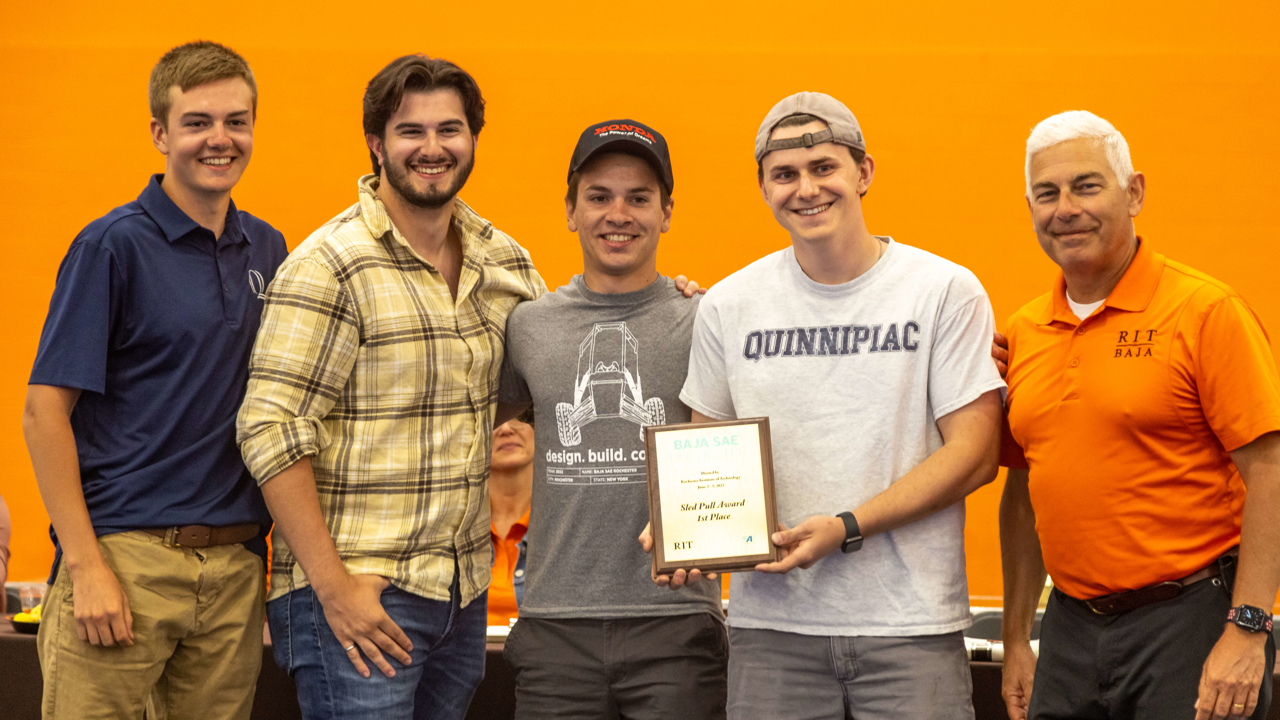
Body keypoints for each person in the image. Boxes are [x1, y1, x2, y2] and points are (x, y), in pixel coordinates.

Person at [666, 91, 1005, 720]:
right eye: (785, 174)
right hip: (772, 632)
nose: (806, 189)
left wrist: (847, 526)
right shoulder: (728, 305)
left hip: (910, 628)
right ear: (763, 188)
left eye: (824, 167)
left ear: (864, 172)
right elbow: (708, 456)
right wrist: (687, 532)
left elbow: (977, 454)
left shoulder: (943, 291)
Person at [235, 54, 546, 720]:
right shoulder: (330, 265)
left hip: (460, 595)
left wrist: (670, 299)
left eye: (450, 129)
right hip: (358, 595)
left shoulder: (505, 261)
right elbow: (269, 431)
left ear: (473, 139)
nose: (432, 148)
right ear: (377, 143)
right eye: (411, 131)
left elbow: (544, 383)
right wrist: (334, 589)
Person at [21, 41, 286, 720]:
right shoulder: (110, 246)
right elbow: (44, 412)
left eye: (236, 121)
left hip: (234, 568)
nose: (220, 139)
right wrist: (85, 567)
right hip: (125, 560)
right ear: (160, 133)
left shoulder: (270, 248)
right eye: (198, 122)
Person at [998, 110, 1280, 720]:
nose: (1065, 209)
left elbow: (1272, 472)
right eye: (1047, 193)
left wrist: (1248, 629)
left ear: (1134, 193)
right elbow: (1024, 490)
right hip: (1068, 630)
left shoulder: (1205, 312)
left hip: (1190, 621)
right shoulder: (1022, 331)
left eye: (1086, 186)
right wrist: (1016, 637)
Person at [498, 119, 728, 719]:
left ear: (667, 212)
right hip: (555, 626)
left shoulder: (707, 320)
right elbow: (470, 430)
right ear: (571, 211)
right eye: (599, 197)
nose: (617, 214)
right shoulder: (528, 325)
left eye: (638, 198)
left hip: (676, 623)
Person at [488, 408, 534, 628]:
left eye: (519, 417)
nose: (505, 428)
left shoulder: (563, 528)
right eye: (494, 419)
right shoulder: (454, 529)